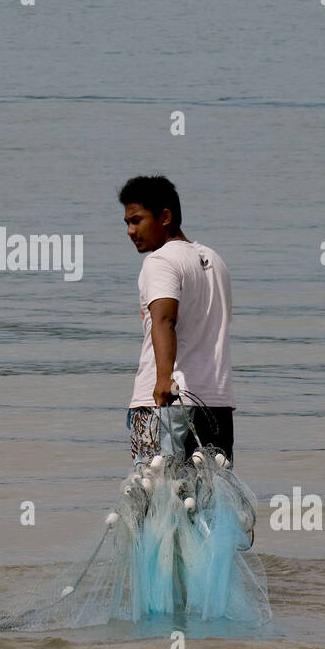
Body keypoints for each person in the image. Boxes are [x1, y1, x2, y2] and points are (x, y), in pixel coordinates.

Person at [119, 175, 236, 467]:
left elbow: (164, 320)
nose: (130, 231)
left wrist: (162, 380)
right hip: (216, 404)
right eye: (127, 223)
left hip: (165, 402)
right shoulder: (214, 260)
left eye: (137, 220)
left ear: (165, 216)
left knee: (156, 497)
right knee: (209, 499)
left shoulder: (161, 262)